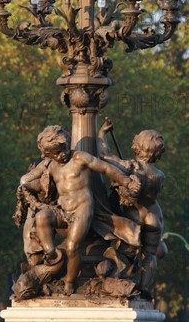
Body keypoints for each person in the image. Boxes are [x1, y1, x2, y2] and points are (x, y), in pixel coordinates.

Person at [20, 124, 141, 296]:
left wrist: (127, 182)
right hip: (62, 210)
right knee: (42, 217)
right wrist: (24, 182)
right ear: (47, 154)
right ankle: (51, 252)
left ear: (68, 143)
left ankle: (69, 280)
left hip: (82, 210)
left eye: (63, 149)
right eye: (55, 153)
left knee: (71, 247)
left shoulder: (79, 157)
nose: (61, 155)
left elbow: (106, 168)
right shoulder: (49, 164)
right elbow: (28, 178)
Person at [98, 118, 165, 299]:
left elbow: (104, 155)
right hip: (154, 216)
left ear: (138, 145)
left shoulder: (130, 167)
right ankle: (144, 287)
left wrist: (102, 132)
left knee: (126, 252)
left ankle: (121, 280)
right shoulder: (159, 175)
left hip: (134, 216)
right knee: (150, 255)